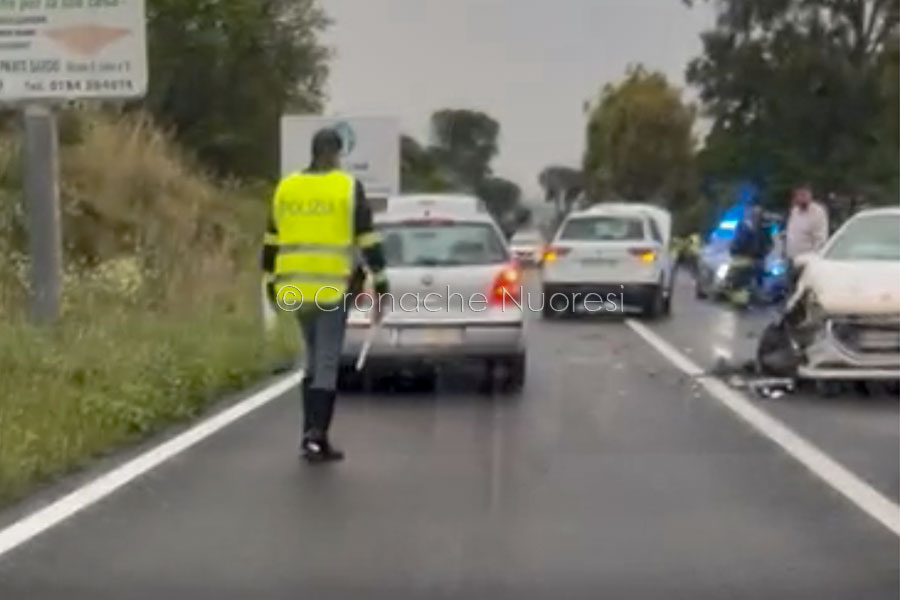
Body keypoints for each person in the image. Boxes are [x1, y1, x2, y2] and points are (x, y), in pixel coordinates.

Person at [262, 128, 389, 463]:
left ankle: (310, 433)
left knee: (313, 358)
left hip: (294, 289)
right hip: (332, 288)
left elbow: (271, 240)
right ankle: (316, 437)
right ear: (335, 153)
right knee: (327, 362)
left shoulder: (286, 187)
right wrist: (381, 280)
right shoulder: (346, 187)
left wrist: (269, 282)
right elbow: (367, 239)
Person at [785, 183, 829, 291]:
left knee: (804, 290)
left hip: (807, 261)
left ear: (810, 195)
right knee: (791, 289)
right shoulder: (795, 211)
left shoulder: (817, 212)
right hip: (792, 258)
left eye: (804, 195)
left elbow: (821, 238)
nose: (801, 198)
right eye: (798, 195)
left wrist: (814, 259)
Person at [729, 205, 771, 307]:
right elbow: (739, 243)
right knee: (743, 281)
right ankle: (743, 301)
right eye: (755, 214)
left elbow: (768, 243)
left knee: (754, 279)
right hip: (745, 258)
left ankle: (752, 298)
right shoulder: (745, 227)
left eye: (759, 214)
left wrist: (765, 251)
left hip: (756, 258)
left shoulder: (761, 228)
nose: (757, 216)